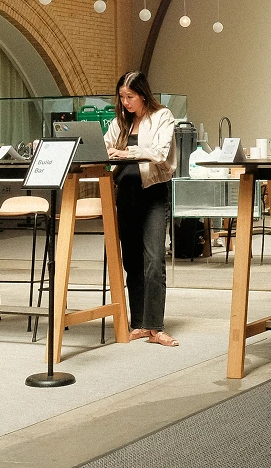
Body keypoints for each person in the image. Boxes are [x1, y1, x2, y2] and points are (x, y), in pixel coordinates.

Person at [105, 70, 179, 346]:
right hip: (125, 194)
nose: (125, 102)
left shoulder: (162, 117)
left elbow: (160, 153)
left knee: (154, 262)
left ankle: (155, 326)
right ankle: (138, 323)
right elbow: (105, 148)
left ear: (143, 94)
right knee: (132, 262)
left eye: (130, 97)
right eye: (122, 97)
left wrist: (126, 152)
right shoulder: (119, 123)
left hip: (153, 194)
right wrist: (107, 152)